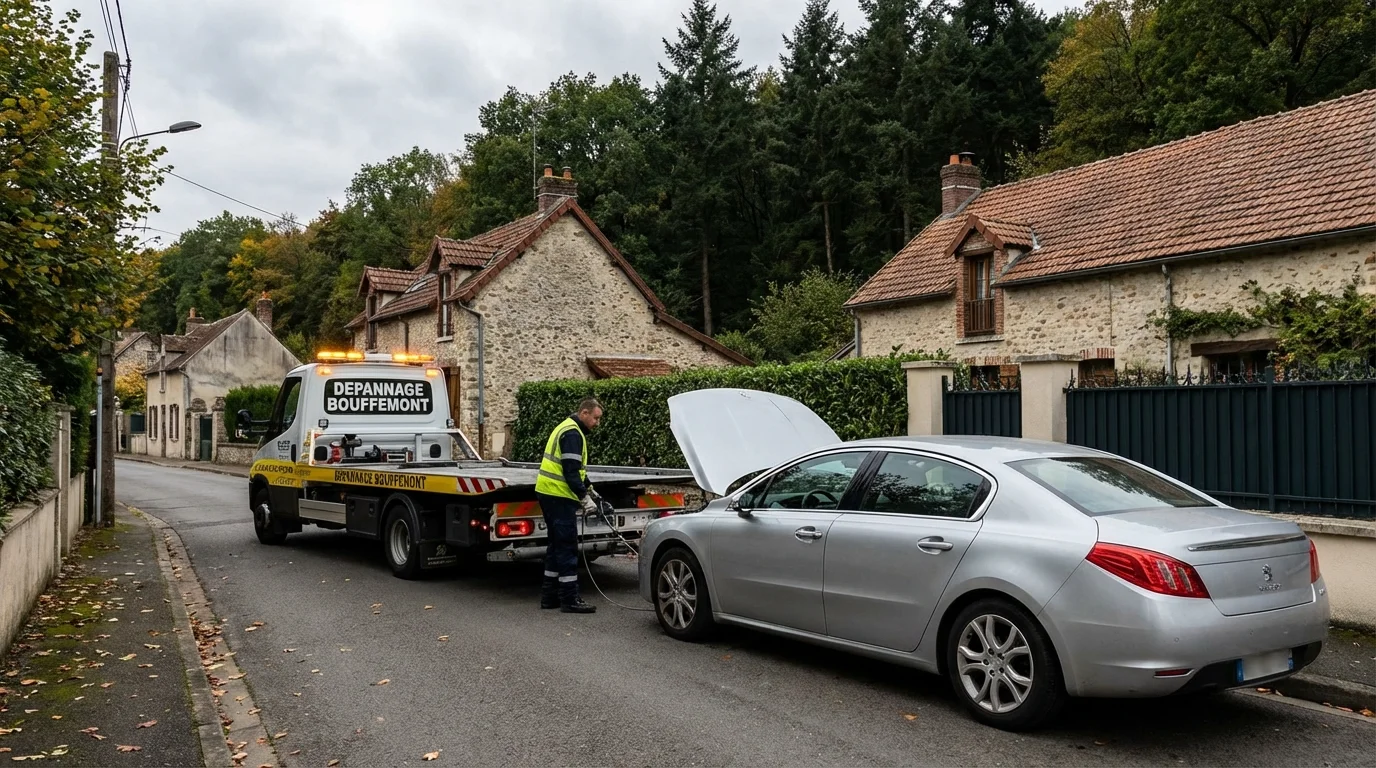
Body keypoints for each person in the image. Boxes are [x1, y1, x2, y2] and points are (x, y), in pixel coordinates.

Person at [534, 397, 604, 613]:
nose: (597, 423)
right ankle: (569, 599)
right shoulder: (573, 434)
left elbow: (577, 470)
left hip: (548, 493)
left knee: (556, 547)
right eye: (596, 418)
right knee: (567, 547)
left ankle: (549, 597)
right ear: (584, 413)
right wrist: (584, 498)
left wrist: (590, 489)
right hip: (559, 496)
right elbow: (570, 471)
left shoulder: (567, 428)